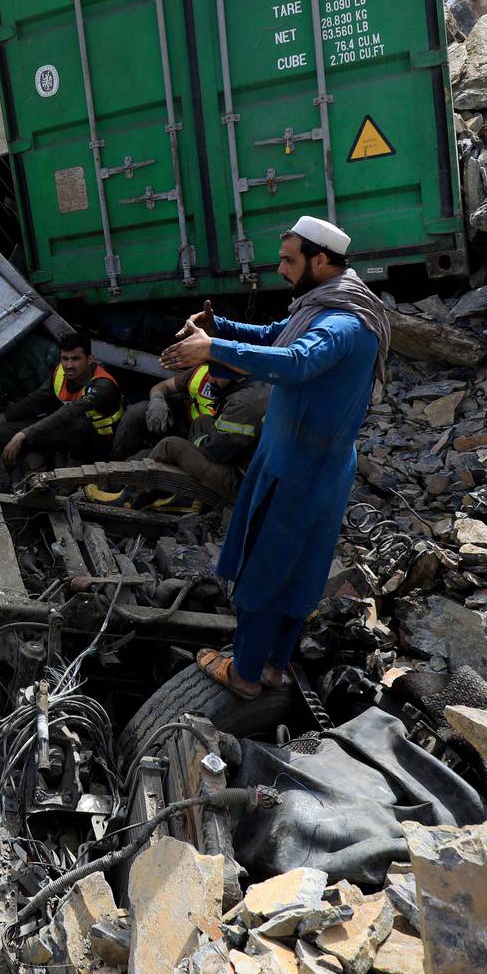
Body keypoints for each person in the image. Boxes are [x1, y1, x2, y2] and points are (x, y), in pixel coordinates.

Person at [160, 216, 387, 699]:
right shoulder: (329, 304)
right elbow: (274, 336)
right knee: (298, 569)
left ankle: (243, 672)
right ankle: (274, 665)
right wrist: (217, 327)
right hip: (313, 464)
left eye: (289, 259)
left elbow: (294, 361)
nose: (280, 268)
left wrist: (211, 348)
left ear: (320, 261)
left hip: (298, 468)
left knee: (265, 568)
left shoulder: (341, 323)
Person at [0, 333, 124, 470]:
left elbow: (69, 412)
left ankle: (74, 470)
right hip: (67, 431)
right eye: (65, 359)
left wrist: (22, 435)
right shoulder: (61, 372)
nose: (69, 365)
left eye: (75, 359)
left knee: (79, 423)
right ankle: (42, 459)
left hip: (99, 442)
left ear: (90, 359)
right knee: (2, 431)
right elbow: (36, 398)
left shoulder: (103, 385)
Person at [146, 366, 270, 507]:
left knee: (169, 446)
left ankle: (135, 495)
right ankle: (190, 499)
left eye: (216, 374)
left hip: (242, 484)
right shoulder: (258, 385)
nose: (210, 379)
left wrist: (199, 441)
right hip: (249, 466)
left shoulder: (243, 404)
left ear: (236, 375)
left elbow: (214, 451)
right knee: (202, 421)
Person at [113, 361, 222, 460]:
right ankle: (112, 466)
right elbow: (164, 386)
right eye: (211, 372)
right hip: (182, 423)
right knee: (134, 414)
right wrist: (157, 400)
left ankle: (125, 475)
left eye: (218, 375)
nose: (210, 379)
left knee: (140, 460)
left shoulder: (236, 399)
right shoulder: (201, 371)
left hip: (201, 439)